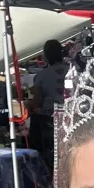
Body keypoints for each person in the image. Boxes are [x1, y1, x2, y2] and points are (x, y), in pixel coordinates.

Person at [26, 39, 69, 168]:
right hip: (70, 116)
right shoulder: (72, 71)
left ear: (46, 55)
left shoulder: (42, 76)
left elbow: (37, 102)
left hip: (49, 119)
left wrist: (28, 103)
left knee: (48, 151)